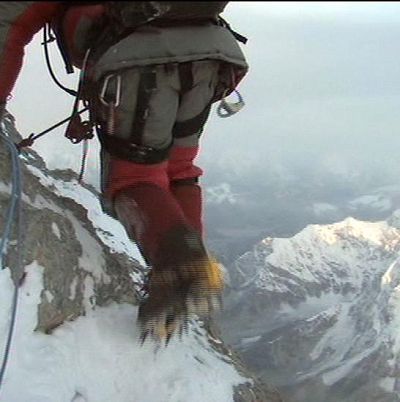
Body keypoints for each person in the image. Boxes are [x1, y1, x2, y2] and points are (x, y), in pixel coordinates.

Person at [0, 1, 248, 343]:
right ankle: (191, 278)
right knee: (180, 171)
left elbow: (11, 23)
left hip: (140, 58)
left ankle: (180, 267)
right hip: (212, 54)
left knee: (134, 179)